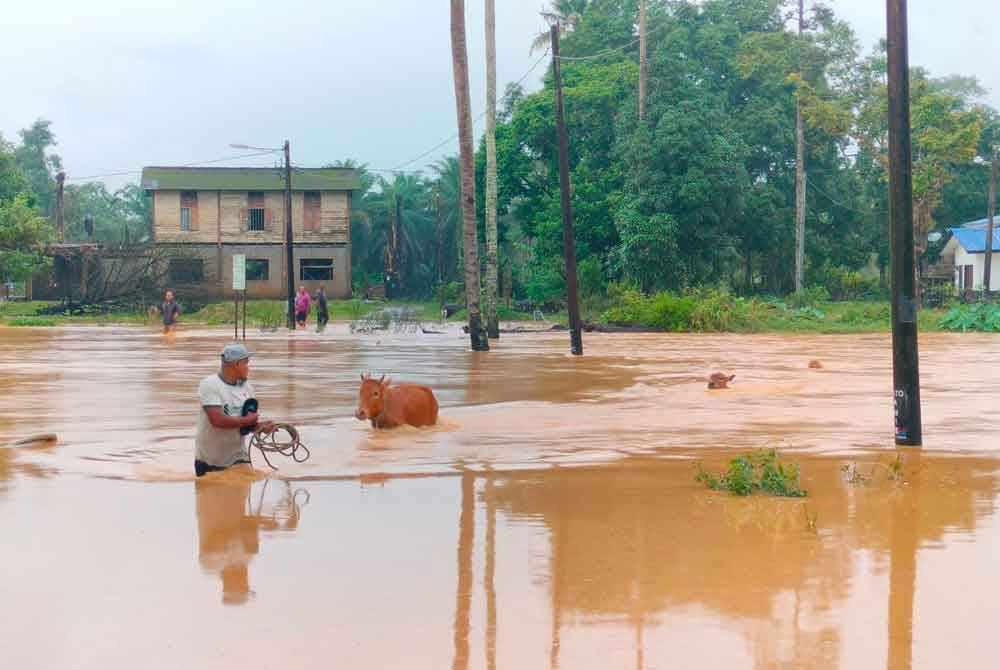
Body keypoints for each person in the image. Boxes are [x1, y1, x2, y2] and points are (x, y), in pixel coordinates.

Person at [195, 343, 271, 477]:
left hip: (239, 457)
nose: (248, 368)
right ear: (236, 364)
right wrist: (248, 420)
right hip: (211, 460)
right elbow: (217, 420)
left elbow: (246, 425)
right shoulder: (210, 385)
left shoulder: (248, 388)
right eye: (246, 363)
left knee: (240, 494)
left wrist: (260, 427)